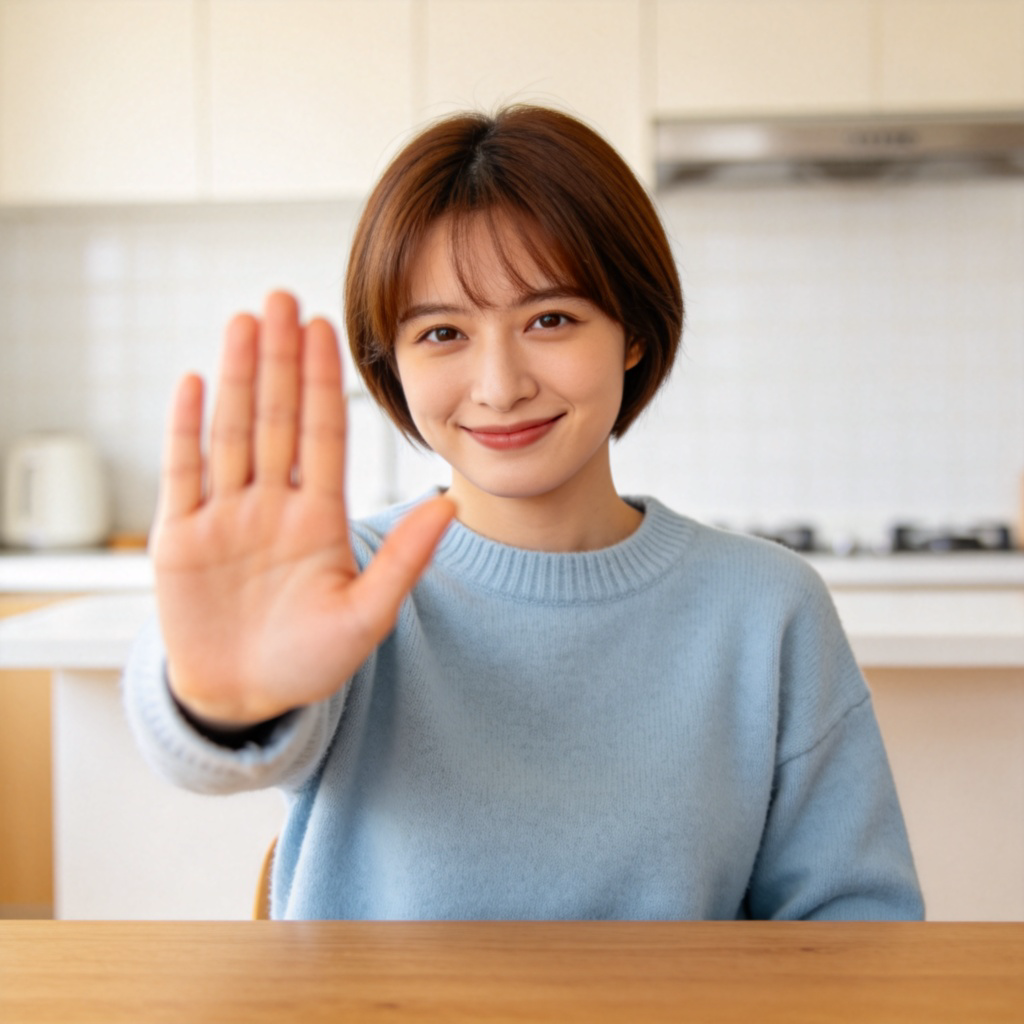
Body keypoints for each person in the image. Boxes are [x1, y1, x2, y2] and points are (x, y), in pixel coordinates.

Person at [124, 104, 924, 921]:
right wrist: (221, 703)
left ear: (634, 332)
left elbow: (857, 921)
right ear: (392, 365)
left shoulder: (765, 607)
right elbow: (208, 750)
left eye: (550, 319)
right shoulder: (346, 579)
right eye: (441, 333)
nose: (500, 386)